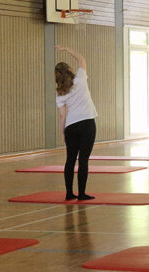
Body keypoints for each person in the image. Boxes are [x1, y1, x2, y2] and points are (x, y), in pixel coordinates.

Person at [55, 45, 99, 201]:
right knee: (83, 160)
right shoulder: (80, 79)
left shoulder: (60, 93)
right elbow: (81, 58)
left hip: (71, 127)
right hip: (87, 124)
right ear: (70, 70)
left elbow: (62, 116)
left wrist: (63, 133)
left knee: (70, 160)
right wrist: (66, 49)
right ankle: (81, 194)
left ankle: (69, 193)